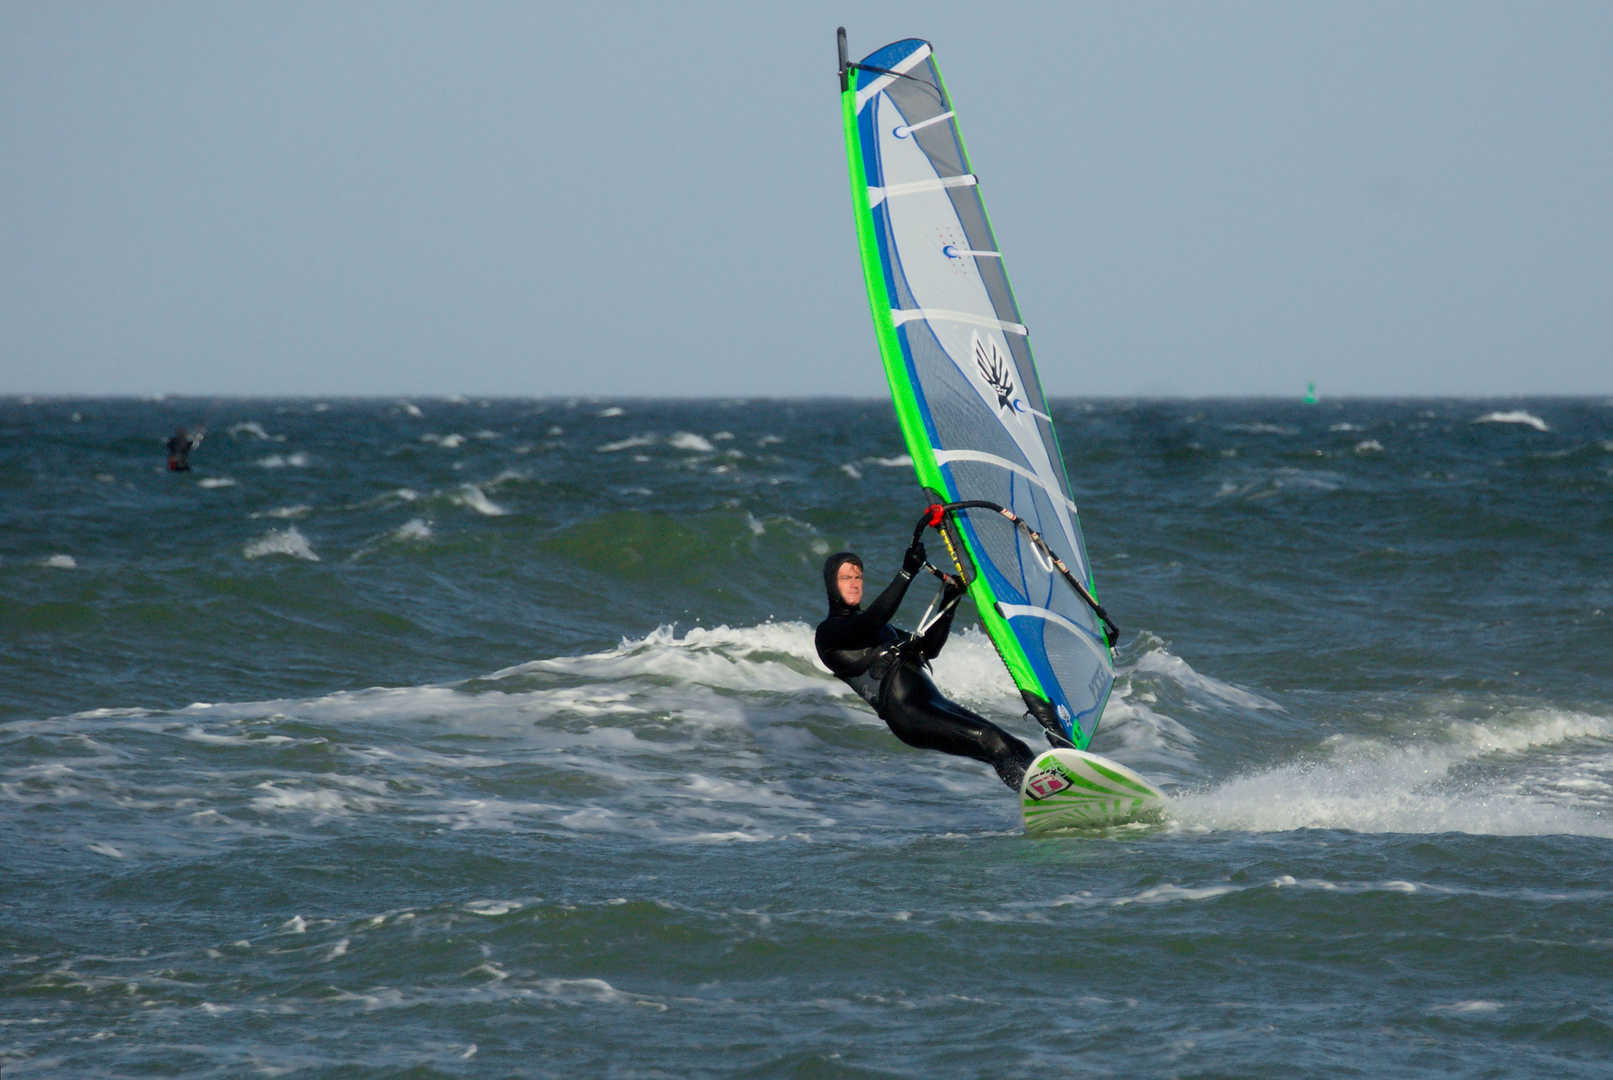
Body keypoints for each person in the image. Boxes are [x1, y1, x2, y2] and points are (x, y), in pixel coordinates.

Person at [816, 541, 1037, 791]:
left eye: (858, 577)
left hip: (934, 703)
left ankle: (1053, 792)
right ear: (832, 584)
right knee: (992, 741)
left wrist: (949, 603)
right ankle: (1042, 800)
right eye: (846, 578)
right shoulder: (829, 633)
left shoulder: (880, 628)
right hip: (909, 714)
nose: (854, 583)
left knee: (1014, 746)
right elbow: (875, 616)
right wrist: (906, 573)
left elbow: (928, 649)